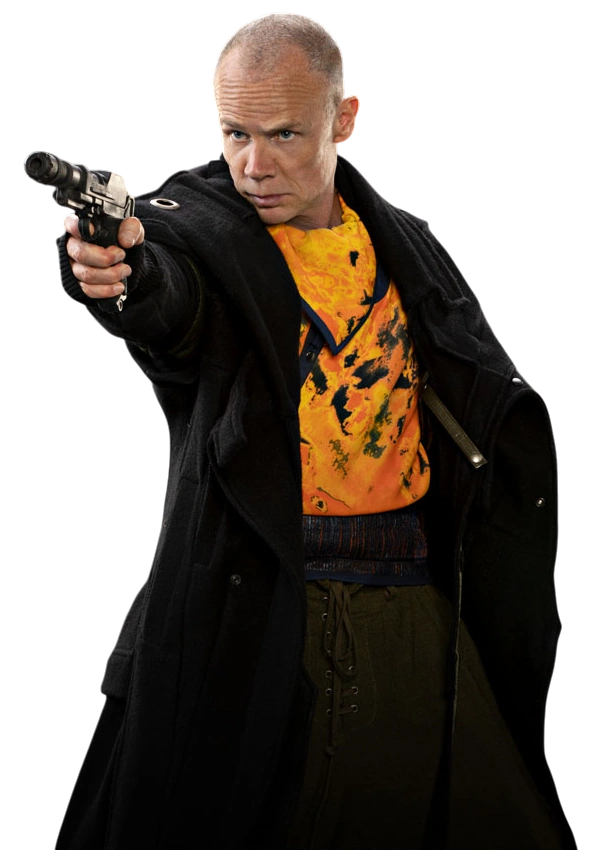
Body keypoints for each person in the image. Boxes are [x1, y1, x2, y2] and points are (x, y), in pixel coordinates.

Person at [53, 13, 566, 850]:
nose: (254, 165)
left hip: (412, 604)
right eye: (235, 133)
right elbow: (172, 303)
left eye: (284, 133)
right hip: (267, 609)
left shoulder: (403, 244)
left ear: (344, 119)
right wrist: (124, 275)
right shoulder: (205, 234)